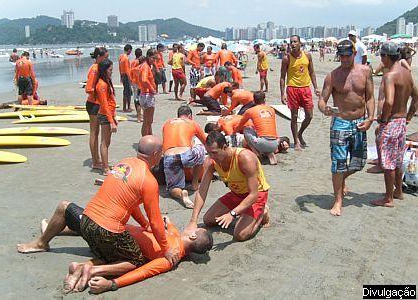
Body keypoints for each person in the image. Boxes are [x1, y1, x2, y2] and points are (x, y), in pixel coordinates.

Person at [18, 200, 212, 294]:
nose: (191, 225)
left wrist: (111, 285)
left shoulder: (170, 258)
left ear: (193, 235)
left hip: (107, 232)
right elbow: (171, 227)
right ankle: (60, 233)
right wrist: (167, 222)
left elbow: (142, 272)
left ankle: (43, 242)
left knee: (65, 207)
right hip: (113, 233)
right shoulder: (177, 240)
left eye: (193, 228)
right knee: (88, 225)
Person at [318, 40, 375, 216]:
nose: (343, 59)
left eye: (346, 55)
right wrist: (324, 109)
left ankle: (341, 180)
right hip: (340, 122)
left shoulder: (365, 71)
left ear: (353, 54)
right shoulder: (332, 76)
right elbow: (322, 100)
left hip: (359, 121)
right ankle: (337, 201)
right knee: (338, 164)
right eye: (340, 56)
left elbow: (370, 97)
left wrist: (370, 119)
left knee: (359, 163)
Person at [186, 131, 270, 241]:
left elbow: (253, 195)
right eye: (208, 153)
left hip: (256, 195)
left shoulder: (244, 158)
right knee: (208, 220)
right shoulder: (212, 162)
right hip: (237, 193)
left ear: (225, 147)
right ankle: (243, 213)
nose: (211, 156)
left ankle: (263, 212)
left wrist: (232, 214)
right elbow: (202, 191)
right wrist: (193, 221)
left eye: (214, 152)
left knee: (240, 235)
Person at [371, 42, 418, 208]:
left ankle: (388, 198)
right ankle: (398, 191)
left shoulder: (390, 75)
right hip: (401, 122)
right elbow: (416, 97)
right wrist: (409, 116)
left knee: (388, 163)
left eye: (381, 56)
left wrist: (384, 118)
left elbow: (389, 101)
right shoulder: (406, 73)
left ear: (385, 56)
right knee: (397, 160)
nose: (381, 59)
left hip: (391, 122)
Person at [280, 35, 320, 151]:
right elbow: (282, 77)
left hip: (305, 88)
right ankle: (296, 142)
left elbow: (312, 72)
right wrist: (282, 94)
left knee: (309, 115)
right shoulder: (286, 58)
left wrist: (316, 87)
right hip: (292, 89)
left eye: (295, 42)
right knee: (294, 117)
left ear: (300, 43)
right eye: (291, 42)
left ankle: (300, 133)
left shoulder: (307, 55)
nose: (293, 44)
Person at [162, 106, 207, 208]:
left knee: (173, 188)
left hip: (170, 155)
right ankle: (195, 184)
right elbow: (205, 142)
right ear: (190, 116)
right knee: (200, 146)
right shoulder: (192, 123)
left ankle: (181, 194)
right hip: (187, 154)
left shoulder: (167, 123)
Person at [233, 91, 282, 165]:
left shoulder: (250, 111)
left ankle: (256, 153)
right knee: (265, 130)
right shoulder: (271, 110)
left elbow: (240, 124)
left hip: (262, 143)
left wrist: (233, 133)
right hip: (275, 144)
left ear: (254, 101)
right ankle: (270, 153)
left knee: (246, 129)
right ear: (264, 100)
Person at [85, 47, 109, 170]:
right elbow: (88, 88)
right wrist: (100, 91)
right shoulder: (95, 69)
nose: (107, 59)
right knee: (94, 132)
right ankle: (95, 161)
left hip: (96, 103)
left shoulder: (98, 67)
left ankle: (97, 159)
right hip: (93, 104)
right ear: (99, 57)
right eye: (105, 57)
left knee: (97, 132)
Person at [97, 59, 118, 176]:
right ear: (104, 70)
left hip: (109, 114)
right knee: (105, 142)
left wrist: (114, 115)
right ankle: (105, 168)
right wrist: (111, 122)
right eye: (110, 70)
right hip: (105, 115)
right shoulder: (101, 84)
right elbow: (104, 105)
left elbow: (111, 101)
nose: (111, 72)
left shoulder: (107, 82)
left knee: (107, 142)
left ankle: (105, 164)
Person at [139, 49, 157, 136]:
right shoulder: (145, 66)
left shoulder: (145, 66)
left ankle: (150, 138)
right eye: (153, 58)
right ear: (149, 57)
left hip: (145, 94)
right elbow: (144, 80)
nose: (154, 60)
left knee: (149, 121)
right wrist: (151, 89)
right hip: (147, 95)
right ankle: (145, 141)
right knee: (147, 121)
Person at [130, 48, 143, 122]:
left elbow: (130, 71)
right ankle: (139, 114)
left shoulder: (133, 62)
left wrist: (131, 79)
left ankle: (138, 114)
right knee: (139, 99)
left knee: (136, 98)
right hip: (138, 83)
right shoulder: (139, 63)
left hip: (134, 82)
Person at [118, 44, 133, 112]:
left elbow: (119, 67)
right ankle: (127, 107)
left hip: (123, 75)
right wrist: (130, 79)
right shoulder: (126, 58)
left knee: (126, 91)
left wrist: (121, 76)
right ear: (129, 50)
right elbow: (127, 70)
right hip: (126, 76)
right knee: (128, 92)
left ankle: (125, 107)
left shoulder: (121, 57)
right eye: (131, 51)